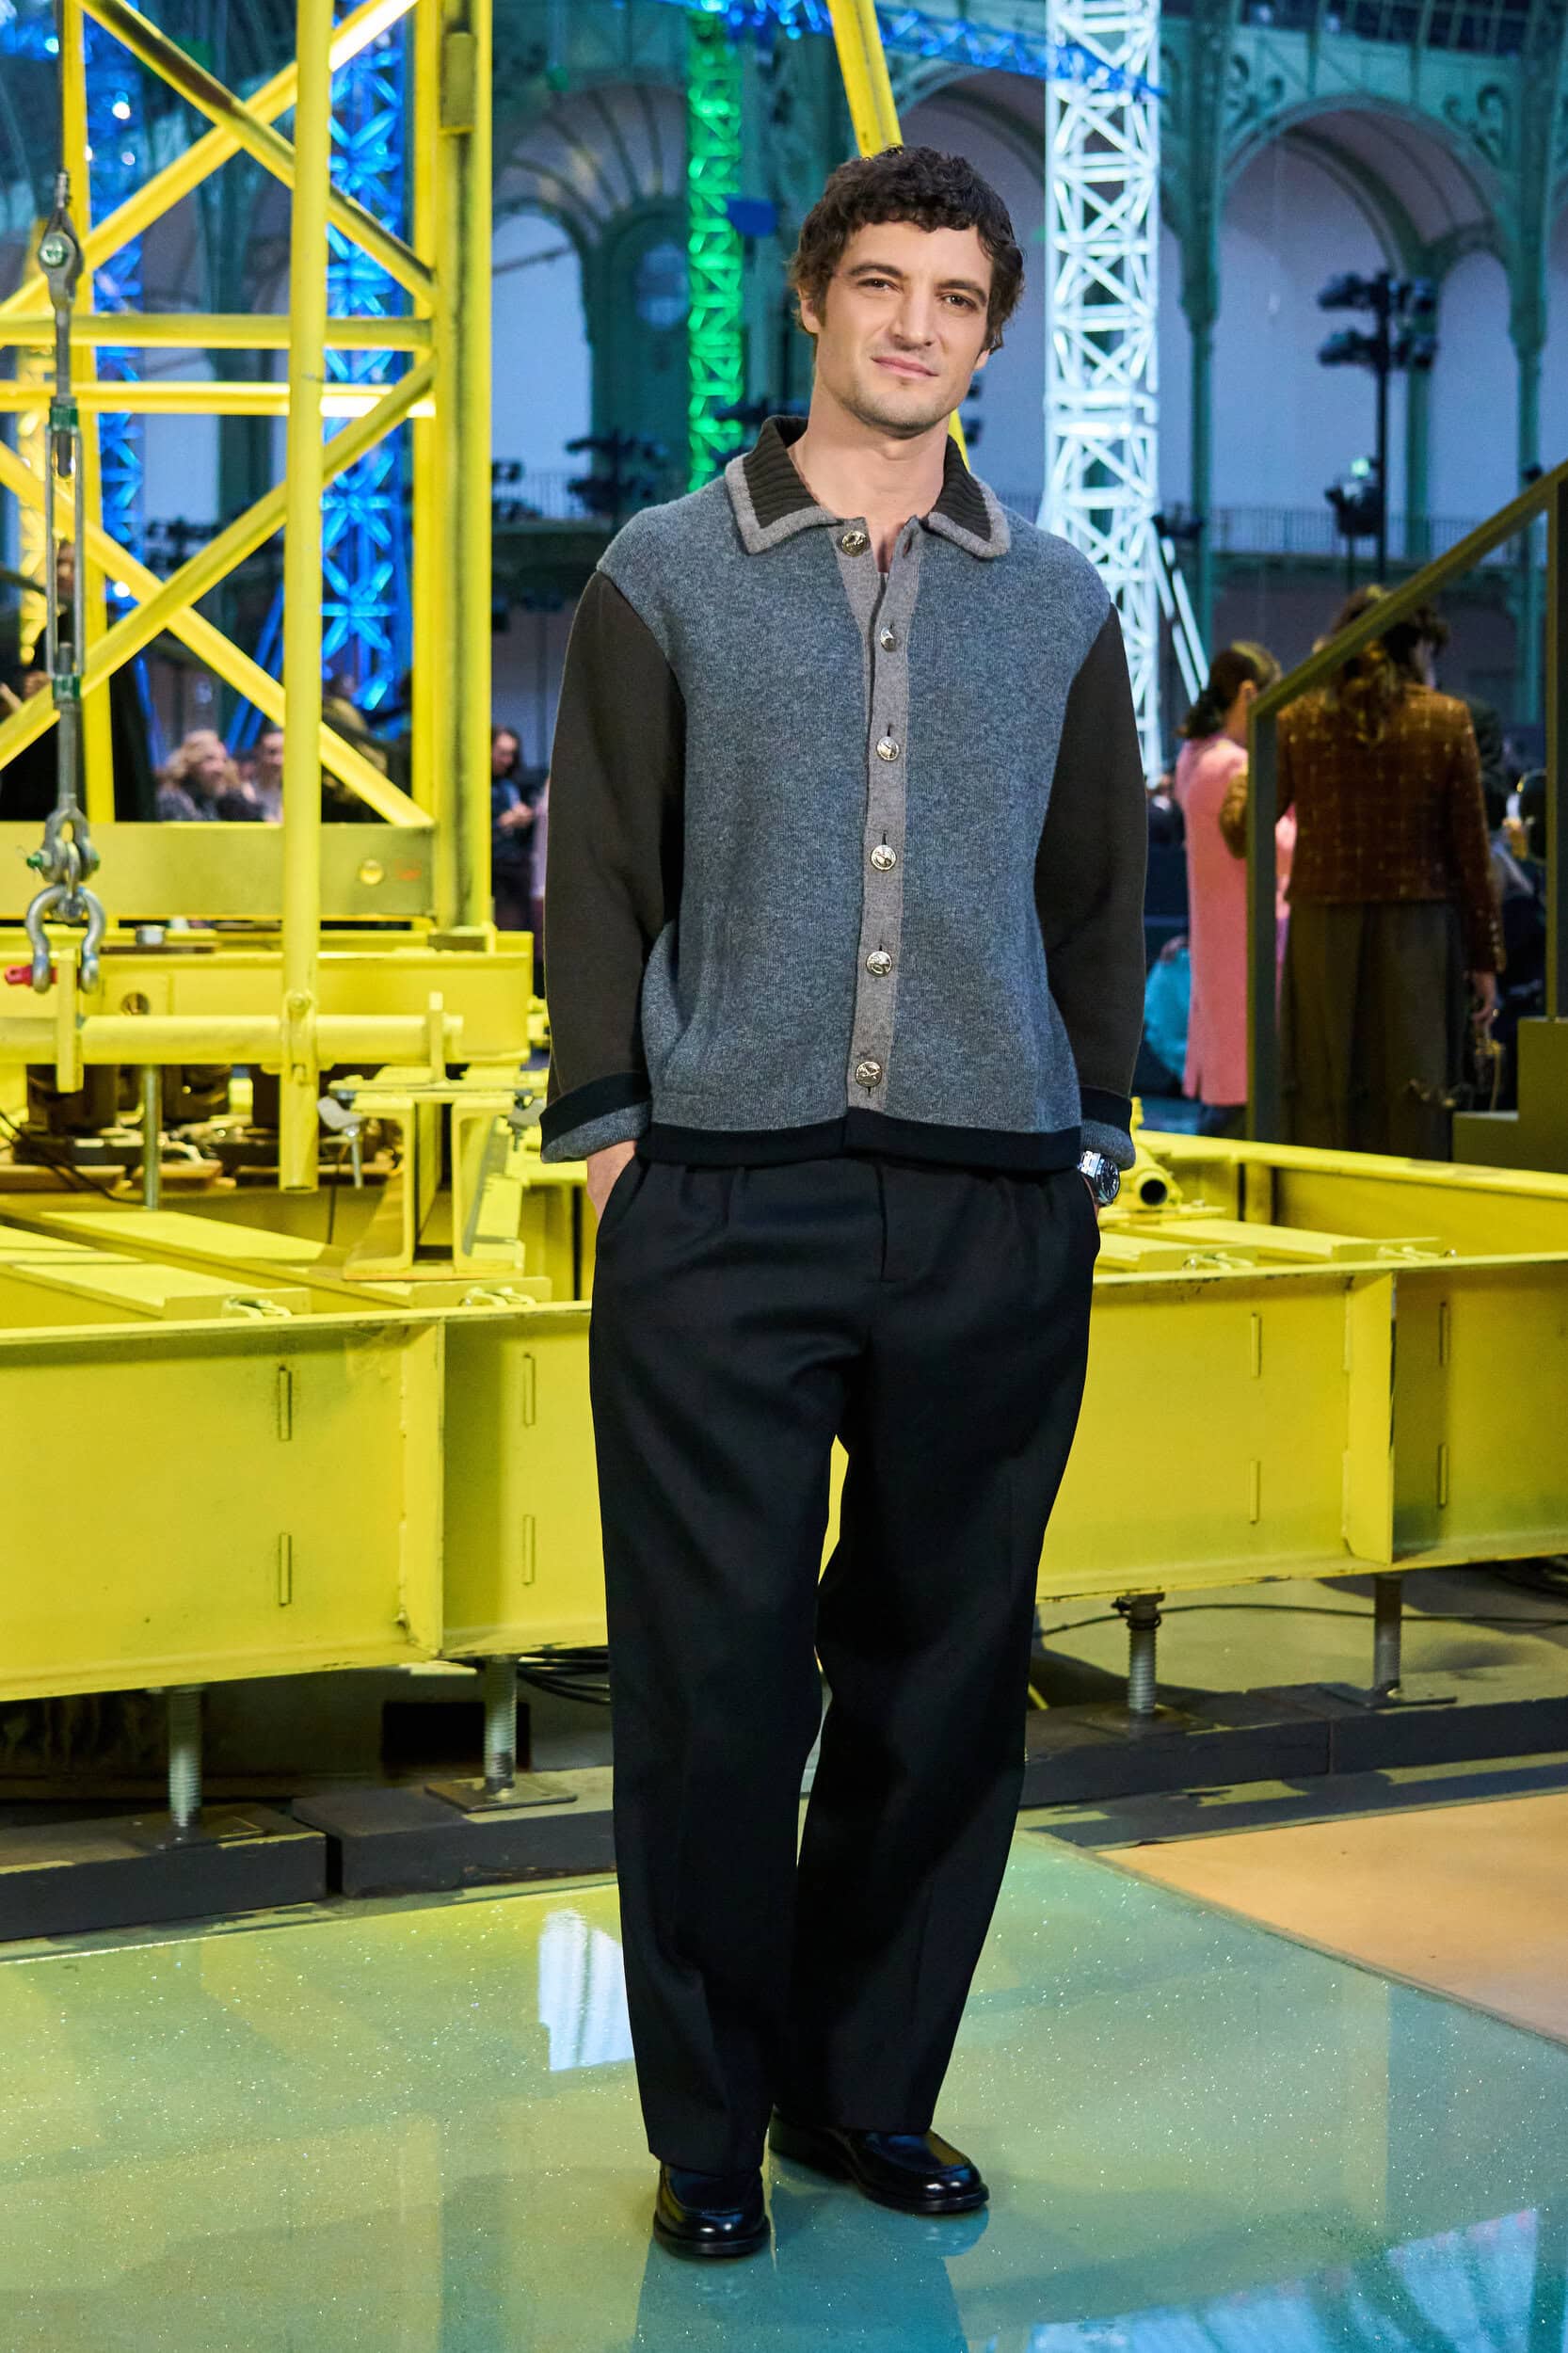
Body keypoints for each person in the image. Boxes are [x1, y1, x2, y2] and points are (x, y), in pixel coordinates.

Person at [540, 144, 1145, 2262]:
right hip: (721, 1198)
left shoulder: (1056, 599)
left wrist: (1089, 1136)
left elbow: (1098, 896)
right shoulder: (664, 572)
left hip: (993, 1201)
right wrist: (617, 1133)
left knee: (944, 1677)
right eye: (881, 284)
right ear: (812, 299)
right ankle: (709, 2125)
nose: (914, 326)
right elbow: (599, 868)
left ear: (988, 337)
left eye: (955, 299)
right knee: (714, 1686)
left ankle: (861, 2088)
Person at [1276, 586, 1499, 1157]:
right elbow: (1471, 854)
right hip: (1420, 931)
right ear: (1418, 645)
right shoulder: (1445, 719)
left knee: (1323, 1084)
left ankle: (1321, 1201)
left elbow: (1243, 824)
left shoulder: (1299, 718)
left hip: (1321, 926)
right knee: (1416, 1090)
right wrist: (1485, 959)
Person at [1171, 642, 1281, 1134]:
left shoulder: (1193, 758)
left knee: (1225, 1103)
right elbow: (1284, 849)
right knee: (1245, 1106)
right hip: (1250, 952)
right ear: (1250, 694)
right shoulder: (1235, 768)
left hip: (1217, 953)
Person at [490, 723, 543, 930]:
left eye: (511, 754)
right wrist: (502, 822)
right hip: (491, 873)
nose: (507, 760)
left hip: (515, 869)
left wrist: (523, 818)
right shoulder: (474, 785)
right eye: (502, 753)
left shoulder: (509, 784)